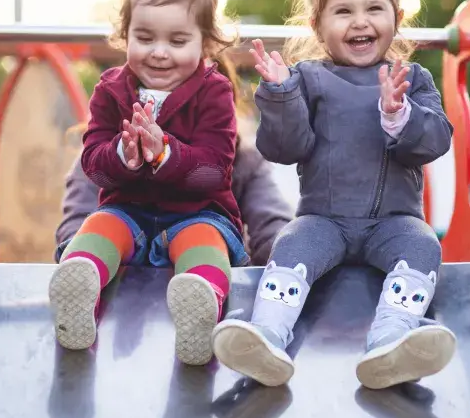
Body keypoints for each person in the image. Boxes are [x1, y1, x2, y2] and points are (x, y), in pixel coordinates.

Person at [211, 0, 456, 390]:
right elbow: (284, 148)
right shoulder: (308, 80)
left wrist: (400, 116)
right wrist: (282, 95)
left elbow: (435, 140)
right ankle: (267, 336)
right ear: (318, 26)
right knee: (290, 244)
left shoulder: (412, 80)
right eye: (343, 11)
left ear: (396, 18)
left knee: (424, 248)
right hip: (323, 219)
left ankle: (390, 341)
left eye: (374, 9)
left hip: (394, 222)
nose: (360, 21)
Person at [48, 0, 247, 367]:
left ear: (205, 42)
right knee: (99, 225)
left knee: (202, 243)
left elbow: (214, 170)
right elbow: (94, 165)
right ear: (125, 35)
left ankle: (200, 304)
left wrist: (165, 154)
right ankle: (79, 292)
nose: (158, 53)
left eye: (177, 41)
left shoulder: (214, 93)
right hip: (128, 212)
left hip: (198, 213)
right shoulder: (110, 90)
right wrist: (124, 154)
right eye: (144, 37)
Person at [54, 68, 294, 268]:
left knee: (205, 238)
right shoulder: (106, 158)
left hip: (207, 260)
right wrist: (90, 257)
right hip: (122, 281)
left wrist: (286, 267)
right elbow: (75, 224)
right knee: (97, 232)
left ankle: (204, 282)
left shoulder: (244, 162)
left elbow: (272, 224)